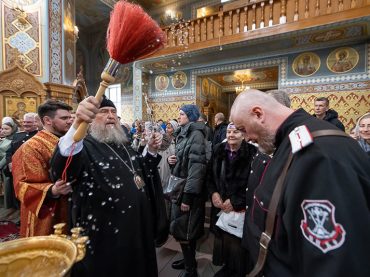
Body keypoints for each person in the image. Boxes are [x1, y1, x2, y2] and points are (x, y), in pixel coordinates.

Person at [230, 89, 370, 276]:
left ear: (258, 114)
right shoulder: (289, 142)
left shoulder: (319, 153)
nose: (246, 137)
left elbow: (332, 263)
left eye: (242, 129)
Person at [49, 96, 168, 277]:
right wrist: (76, 126)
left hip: (137, 225)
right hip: (106, 231)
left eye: (113, 112)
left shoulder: (123, 144)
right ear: (90, 119)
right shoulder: (83, 146)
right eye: (103, 112)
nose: (111, 116)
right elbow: (63, 171)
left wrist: (151, 150)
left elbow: (140, 173)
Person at [12, 100, 74, 237]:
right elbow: (22, 186)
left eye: (70, 117)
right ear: (47, 120)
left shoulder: (70, 142)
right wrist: (53, 189)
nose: (70, 121)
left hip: (71, 206)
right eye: (64, 118)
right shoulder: (31, 148)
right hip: (47, 211)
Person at [207, 122, 257, 277]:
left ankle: (238, 271)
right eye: (229, 132)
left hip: (241, 208)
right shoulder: (218, 149)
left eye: (235, 132)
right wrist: (213, 193)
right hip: (220, 205)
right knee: (223, 241)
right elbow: (209, 175)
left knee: (238, 245)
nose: (231, 135)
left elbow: (256, 183)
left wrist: (236, 201)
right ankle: (228, 268)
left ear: (243, 134)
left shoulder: (252, 152)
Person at [168, 104, 207, 277]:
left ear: (191, 117)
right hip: (181, 188)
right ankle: (187, 260)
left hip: (188, 192)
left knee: (187, 230)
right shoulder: (185, 133)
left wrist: (187, 198)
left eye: (182, 114)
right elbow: (183, 161)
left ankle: (191, 270)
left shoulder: (195, 134)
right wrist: (171, 160)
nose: (179, 117)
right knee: (183, 229)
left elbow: (196, 169)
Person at [0, 118, 18, 212]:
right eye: (2, 129)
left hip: (6, 167)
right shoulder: (5, 139)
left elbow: (6, 155)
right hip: (2, 167)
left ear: (13, 129)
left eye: (6, 129)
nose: (3, 131)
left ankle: (11, 208)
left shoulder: (14, 140)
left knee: (9, 188)